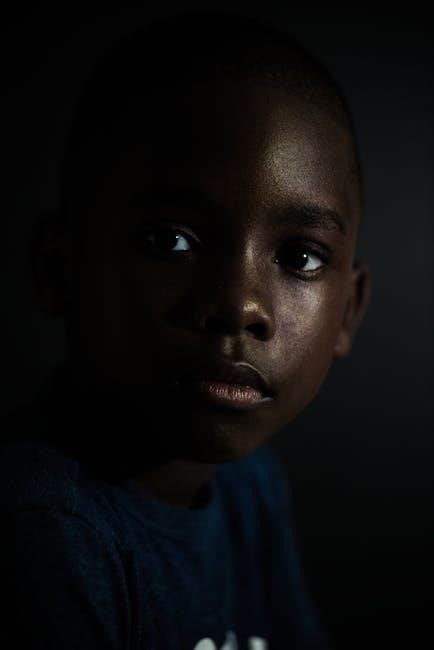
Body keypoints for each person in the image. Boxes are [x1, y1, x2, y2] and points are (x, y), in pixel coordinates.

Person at [0, 9, 370, 650]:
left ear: (348, 313)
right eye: (170, 240)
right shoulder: (41, 526)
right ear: (59, 269)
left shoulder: (251, 488)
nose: (239, 305)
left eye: (301, 256)